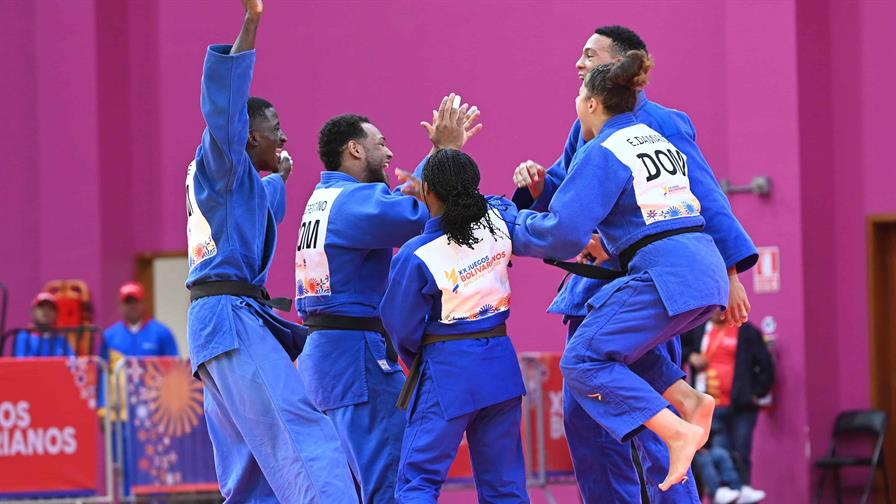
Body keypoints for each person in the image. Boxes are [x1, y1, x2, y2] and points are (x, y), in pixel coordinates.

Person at [510, 25, 757, 503]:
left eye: (590, 56)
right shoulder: (587, 130)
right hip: (613, 286)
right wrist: (538, 186)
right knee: (591, 415)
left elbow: (705, 198)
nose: (579, 65)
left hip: (652, 281)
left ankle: (680, 447)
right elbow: (571, 196)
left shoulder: (664, 123)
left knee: (639, 419)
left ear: (616, 72)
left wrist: (732, 273)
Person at [184, 1, 355, 501]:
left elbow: (263, 211)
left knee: (249, 464)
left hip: (216, 326)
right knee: (298, 431)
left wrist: (280, 176)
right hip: (231, 321)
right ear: (249, 135)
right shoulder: (220, 159)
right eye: (275, 128)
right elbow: (224, 107)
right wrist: (252, 21)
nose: (283, 135)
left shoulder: (237, 186)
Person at [296, 95, 481, 503]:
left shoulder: (322, 200)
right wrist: (446, 153)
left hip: (327, 360)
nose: (390, 151)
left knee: (350, 486)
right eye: (380, 143)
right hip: (356, 360)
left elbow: (399, 203)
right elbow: (418, 214)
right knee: (393, 481)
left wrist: (436, 153)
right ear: (355, 149)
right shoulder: (352, 202)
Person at [380, 148, 528, 503]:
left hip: (447, 371)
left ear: (426, 190)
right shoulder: (496, 225)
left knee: (419, 481)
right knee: (505, 485)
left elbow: (400, 326)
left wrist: (422, 359)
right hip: (501, 367)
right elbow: (509, 207)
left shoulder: (417, 253)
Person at [682, 311, 774, 499]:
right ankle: (722, 494)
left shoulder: (747, 332)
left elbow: (766, 364)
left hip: (741, 407)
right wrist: (691, 356)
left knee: (741, 452)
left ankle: (743, 492)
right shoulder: (697, 329)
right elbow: (679, 348)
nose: (718, 312)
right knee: (716, 454)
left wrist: (757, 392)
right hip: (709, 407)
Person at [102, 281, 178, 362]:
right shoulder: (109, 336)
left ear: (144, 303)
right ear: (120, 306)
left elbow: (175, 367)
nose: (132, 306)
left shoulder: (162, 333)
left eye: (135, 301)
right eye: (128, 302)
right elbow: (103, 370)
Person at [12, 292, 73, 357]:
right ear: (32, 312)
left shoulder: (61, 339)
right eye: (41, 307)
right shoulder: (24, 336)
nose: (46, 311)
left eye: (50, 308)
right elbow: (20, 363)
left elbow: (72, 361)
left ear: (56, 314)